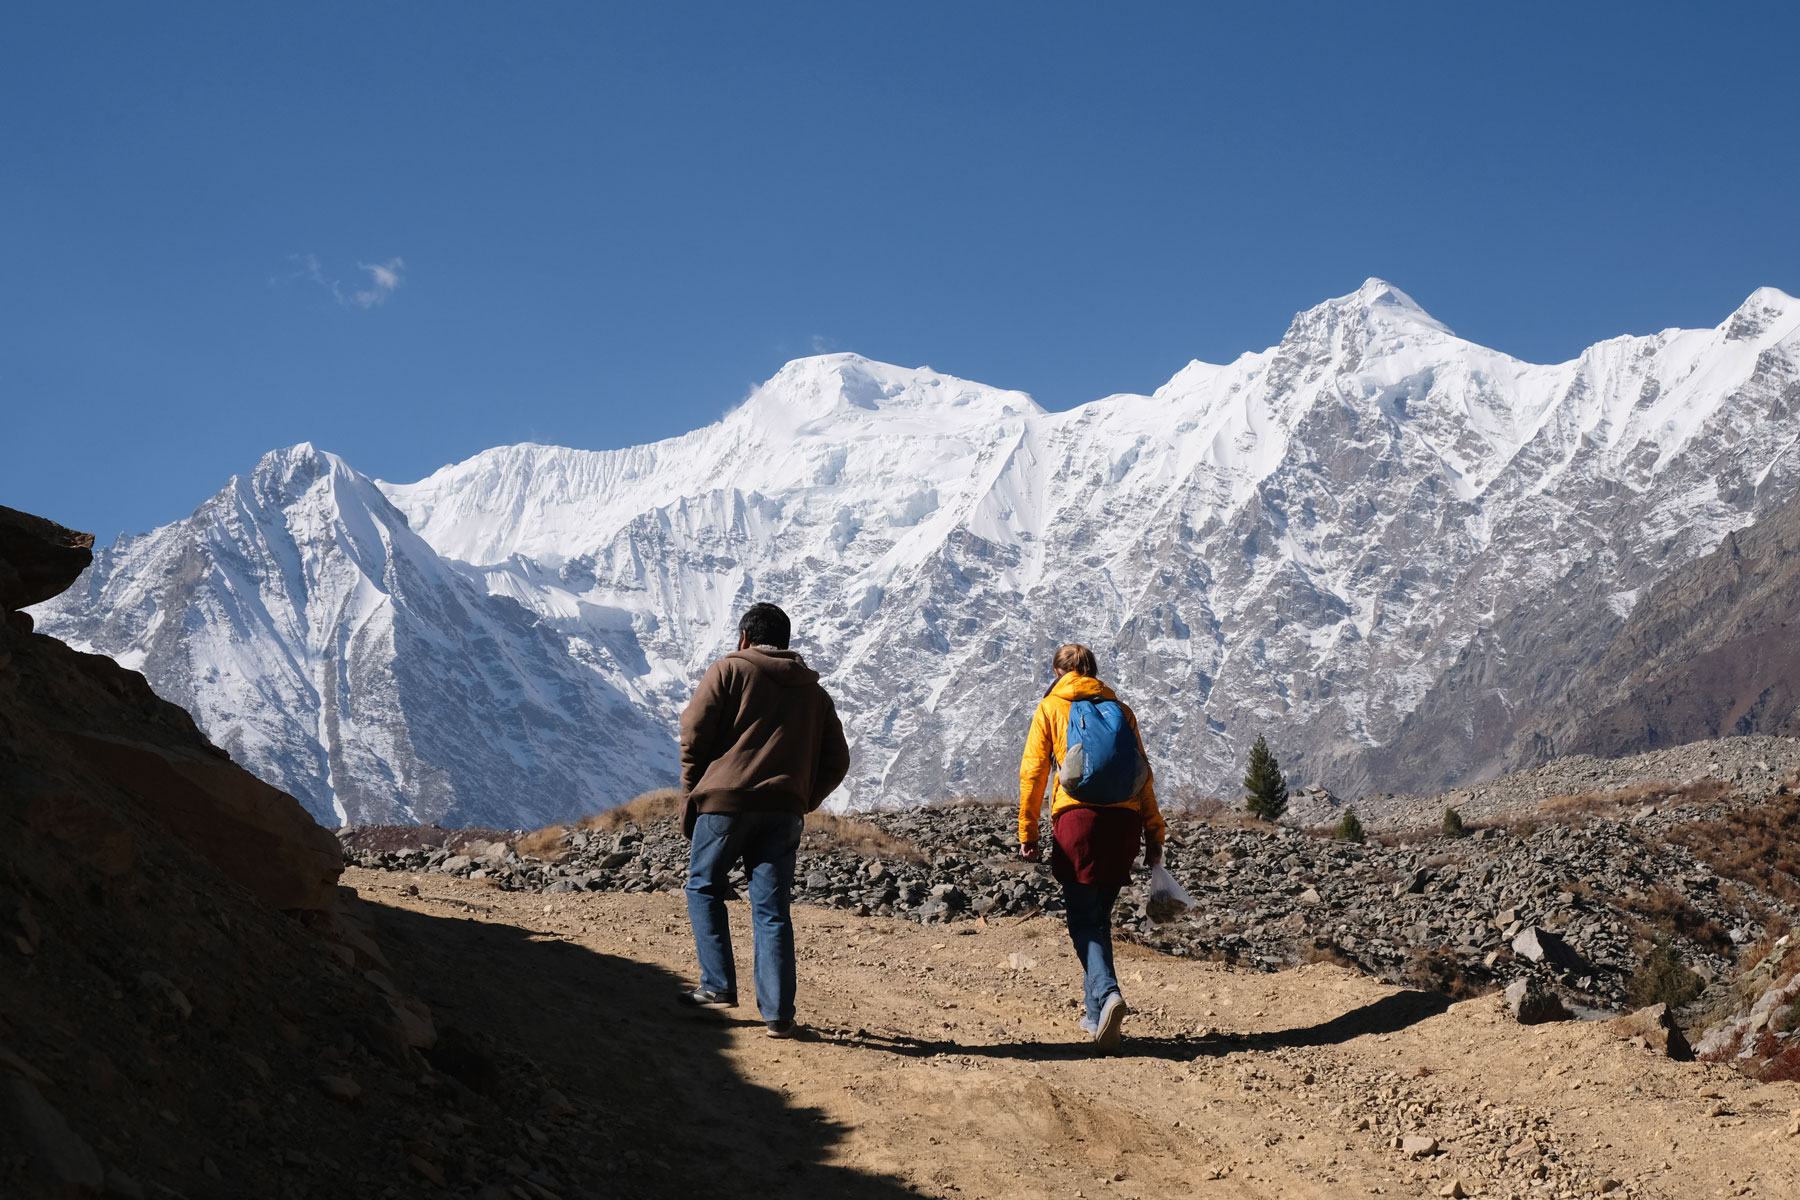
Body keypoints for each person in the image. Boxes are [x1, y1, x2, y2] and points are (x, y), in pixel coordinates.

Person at [678, 602, 850, 1037]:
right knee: (772, 910)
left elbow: (695, 731)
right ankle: (778, 1014)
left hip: (725, 805)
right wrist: (803, 797)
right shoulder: (814, 692)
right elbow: (838, 759)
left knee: (703, 885)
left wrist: (695, 785)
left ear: (744, 638)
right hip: (784, 811)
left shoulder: (728, 671)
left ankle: (717, 985)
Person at [1017, 643, 1166, 1053]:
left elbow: (1033, 773)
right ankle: (1095, 1015)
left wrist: (1027, 832)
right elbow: (1144, 777)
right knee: (1098, 919)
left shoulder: (1051, 708)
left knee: (1082, 921)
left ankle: (1109, 993)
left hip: (1077, 822)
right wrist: (1155, 834)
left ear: (1057, 671)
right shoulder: (1121, 710)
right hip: (1124, 825)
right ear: (1093, 672)